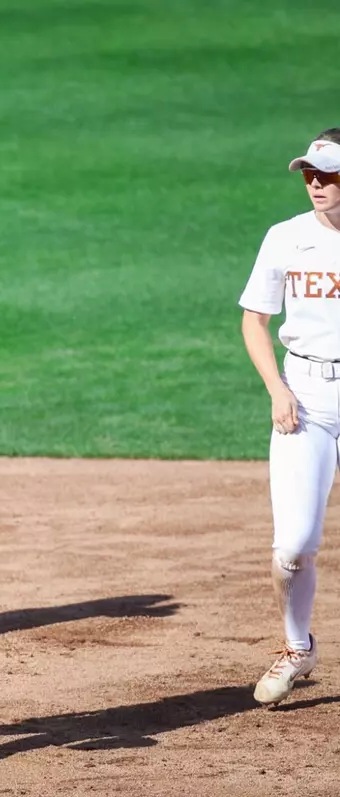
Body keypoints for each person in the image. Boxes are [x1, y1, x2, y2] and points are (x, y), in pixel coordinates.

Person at [240, 127, 340, 706]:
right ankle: (298, 646)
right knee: (293, 545)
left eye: (327, 173)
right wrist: (277, 387)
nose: (315, 183)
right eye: (309, 172)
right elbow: (254, 321)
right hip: (304, 397)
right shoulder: (286, 238)